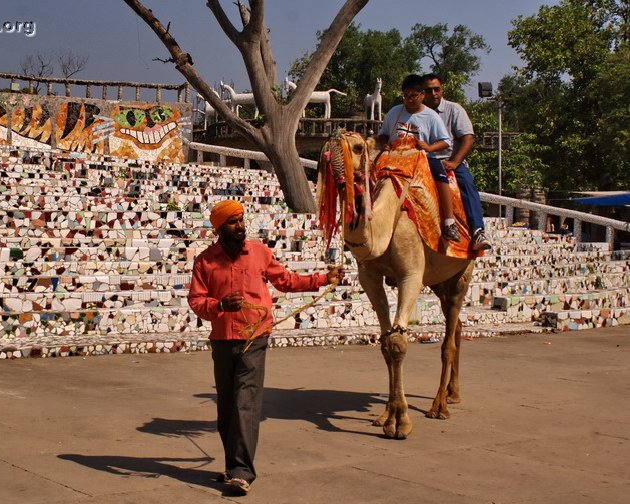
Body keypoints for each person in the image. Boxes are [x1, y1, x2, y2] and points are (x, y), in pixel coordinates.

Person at [187, 199, 343, 496]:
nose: (240, 226)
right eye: (233, 222)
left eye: (241, 220)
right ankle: (234, 465)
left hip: (255, 338)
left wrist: (323, 278)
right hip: (222, 340)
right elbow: (196, 300)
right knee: (227, 409)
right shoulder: (205, 261)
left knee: (245, 402)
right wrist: (218, 305)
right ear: (219, 228)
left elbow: (285, 281)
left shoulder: (259, 252)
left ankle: (242, 472)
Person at [377, 74, 460, 242]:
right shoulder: (394, 112)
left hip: (421, 157)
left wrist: (429, 147)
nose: (409, 99)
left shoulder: (431, 116)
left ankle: (449, 222)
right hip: (394, 156)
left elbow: (445, 141)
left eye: (413, 95)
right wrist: (384, 143)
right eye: (405, 95)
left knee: (441, 176)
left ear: (422, 95)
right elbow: (383, 134)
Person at [422, 73, 492, 250]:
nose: (433, 94)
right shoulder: (416, 113)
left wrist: (454, 162)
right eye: (429, 90)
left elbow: (467, 138)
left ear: (442, 89)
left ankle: (477, 230)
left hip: (448, 161)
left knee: (466, 184)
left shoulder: (454, 110)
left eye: (436, 89)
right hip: (421, 161)